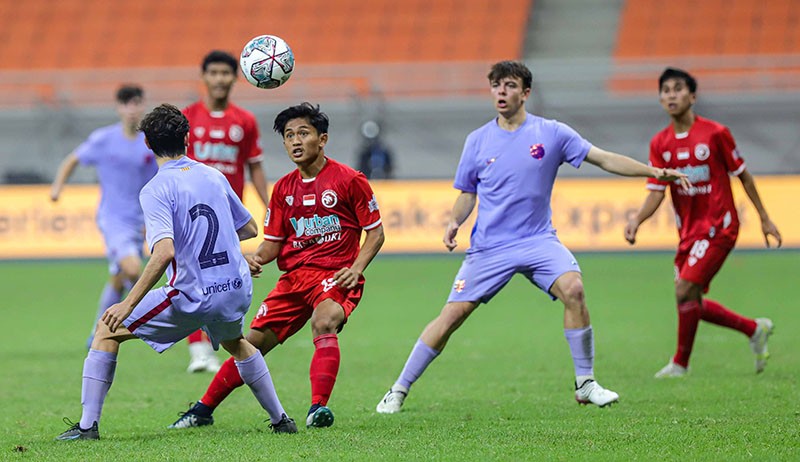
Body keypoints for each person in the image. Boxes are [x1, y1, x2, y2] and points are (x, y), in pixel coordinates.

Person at [375, 61, 689, 414]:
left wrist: (654, 172)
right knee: (451, 317)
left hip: (538, 240)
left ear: (525, 93)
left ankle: (586, 384)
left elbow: (603, 159)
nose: (501, 92)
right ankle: (398, 390)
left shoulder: (552, 133)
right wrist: (454, 222)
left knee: (575, 289)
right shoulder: (477, 140)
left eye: (509, 86)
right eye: (496, 85)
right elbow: (467, 192)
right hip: (490, 248)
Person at [55, 104, 296, 441]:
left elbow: (164, 251)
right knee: (237, 343)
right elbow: (249, 228)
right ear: (187, 138)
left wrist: (127, 304)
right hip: (234, 287)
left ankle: (86, 427)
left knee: (106, 330)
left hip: (193, 294)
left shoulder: (155, 189)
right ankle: (281, 419)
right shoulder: (213, 175)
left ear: (148, 146)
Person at [169, 102, 384, 430]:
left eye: (303, 133)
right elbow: (273, 243)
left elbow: (376, 232)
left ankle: (318, 409)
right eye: (288, 135)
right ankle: (203, 410)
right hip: (293, 281)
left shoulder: (349, 180)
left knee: (324, 321)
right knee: (249, 346)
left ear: (322, 139)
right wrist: (255, 256)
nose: (295, 141)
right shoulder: (283, 189)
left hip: (334, 275)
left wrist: (356, 268)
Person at [623, 67, 781, 378]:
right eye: (666, 90)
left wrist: (764, 218)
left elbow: (743, 176)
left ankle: (680, 364)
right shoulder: (660, 143)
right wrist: (637, 220)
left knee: (684, 290)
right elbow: (656, 192)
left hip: (720, 225)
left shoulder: (715, 134)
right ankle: (753, 329)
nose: (671, 94)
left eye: (678, 89)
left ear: (692, 96)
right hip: (689, 232)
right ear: (660, 98)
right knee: (690, 299)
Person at [182, 50, 271, 373]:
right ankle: (199, 350)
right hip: (193, 213)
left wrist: (269, 204)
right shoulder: (187, 117)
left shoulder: (244, 121)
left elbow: (255, 167)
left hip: (229, 215)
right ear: (204, 77)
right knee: (192, 277)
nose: (219, 79)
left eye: (225, 73)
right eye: (214, 73)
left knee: (227, 279)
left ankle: (224, 340)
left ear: (236, 77)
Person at [50, 84, 158, 349]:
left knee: (119, 276)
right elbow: (72, 160)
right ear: (119, 107)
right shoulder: (103, 139)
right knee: (132, 269)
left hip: (142, 219)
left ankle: (97, 330)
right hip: (113, 219)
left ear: (143, 105)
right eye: (126, 103)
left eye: (136, 103)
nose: (132, 109)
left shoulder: (151, 142)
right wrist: (57, 188)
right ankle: (152, 319)